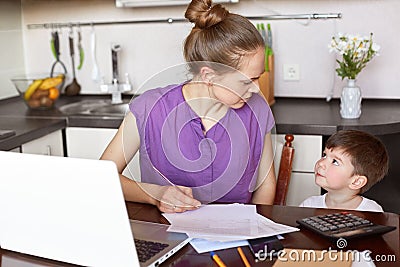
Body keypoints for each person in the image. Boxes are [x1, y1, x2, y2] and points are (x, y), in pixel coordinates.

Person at [101, 0, 276, 213]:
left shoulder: (257, 109)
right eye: (248, 80)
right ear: (209, 75)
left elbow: (266, 184)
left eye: (259, 78)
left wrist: (255, 230)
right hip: (164, 237)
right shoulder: (149, 108)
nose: (257, 89)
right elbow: (102, 176)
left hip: (235, 239)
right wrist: (155, 195)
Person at [299, 130, 389, 212]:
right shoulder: (309, 205)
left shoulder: (372, 212)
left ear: (356, 182)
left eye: (335, 161)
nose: (321, 163)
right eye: (324, 155)